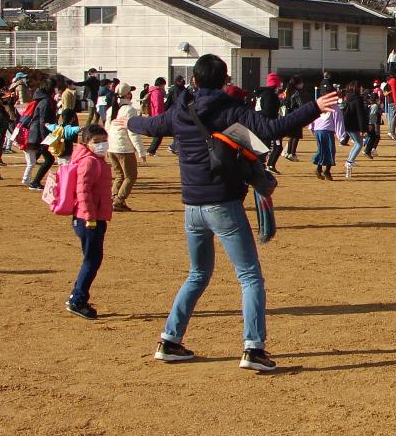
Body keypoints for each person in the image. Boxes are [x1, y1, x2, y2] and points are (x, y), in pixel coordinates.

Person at [130, 53, 337, 371]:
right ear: (225, 81)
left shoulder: (182, 111)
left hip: (192, 207)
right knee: (250, 277)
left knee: (197, 274)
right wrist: (313, 107)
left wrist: (126, 120)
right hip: (223, 204)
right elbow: (272, 128)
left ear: (194, 81)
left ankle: (170, 340)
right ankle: (253, 348)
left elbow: (152, 124)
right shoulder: (230, 109)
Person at [53, 123, 114, 319]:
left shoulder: (95, 160)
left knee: (93, 259)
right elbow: (83, 191)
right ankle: (77, 299)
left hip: (94, 216)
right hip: (88, 219)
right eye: (97, 142)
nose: (102, 145)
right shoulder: (89, 162)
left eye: (104, 141)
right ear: (86, 143)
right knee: (92, 259)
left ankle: (78, 297)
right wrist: (90, 217)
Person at [104, 87, 140, 209]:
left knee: (119, 175)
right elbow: (133, 132)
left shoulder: (111, 110)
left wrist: (106, 146)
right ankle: (119, 200)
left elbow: (107, 129)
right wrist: (141, 150)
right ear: (128, 95)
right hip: (124, 148)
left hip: (112, 147)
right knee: (131, 176)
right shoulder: (130, 110)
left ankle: (113, 198)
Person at [311, 85, 342, 179]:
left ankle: (319, 169)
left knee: (322, 149)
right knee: (330, 150)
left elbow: (312, 116)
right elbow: (338, 121)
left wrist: (312, 127)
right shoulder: (335, 107)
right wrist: (341, 135)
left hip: (318, 130)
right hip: (327, 131)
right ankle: (327, 171)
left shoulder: (318, 104)